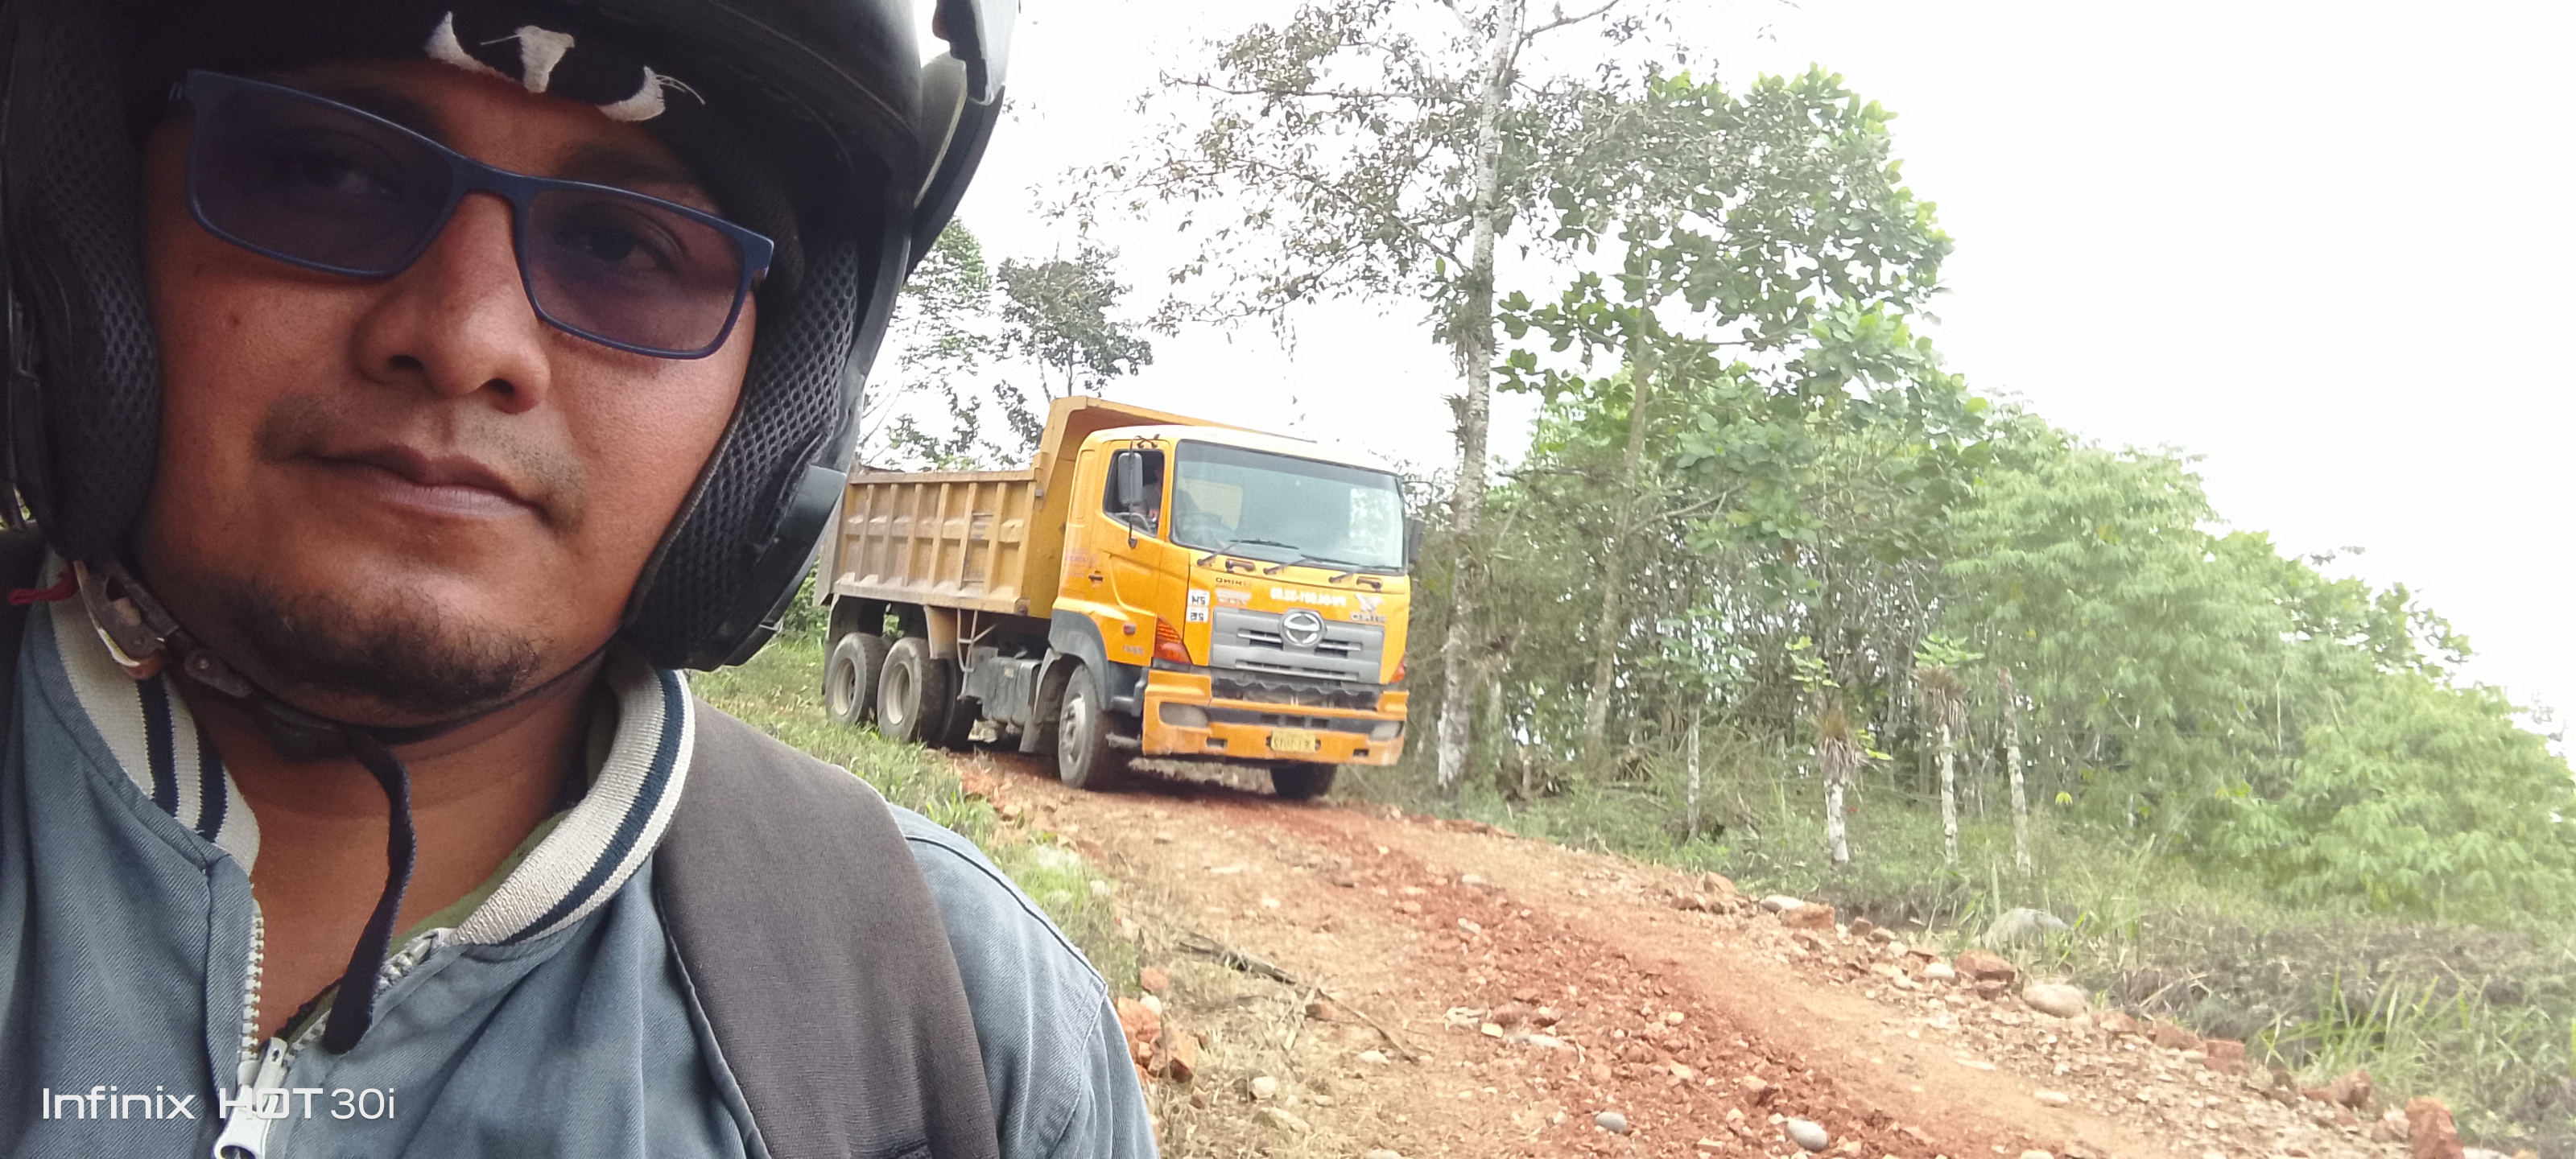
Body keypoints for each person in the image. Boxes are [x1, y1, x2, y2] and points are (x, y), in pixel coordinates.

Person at [0, 2, 1155, 1156]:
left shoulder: (973, 1042)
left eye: (621, 248)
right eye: (325, 173)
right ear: (88, 244)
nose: (467, 341)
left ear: (778, 406)